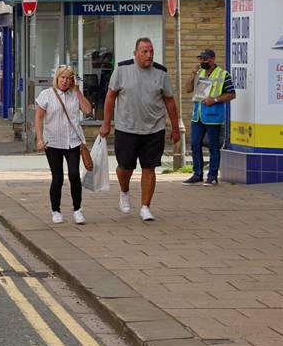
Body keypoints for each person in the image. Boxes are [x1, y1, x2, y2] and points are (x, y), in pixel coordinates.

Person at [101, 37, 180, 223]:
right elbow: (110, 97)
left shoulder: (161, 73)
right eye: (144, 51)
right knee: (124, 167)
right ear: (135, 53)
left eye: (151, 51)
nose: (149, 55)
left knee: (149, 167)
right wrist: (106, 123)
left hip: (154, 128)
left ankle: (145, 207)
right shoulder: (122, 69)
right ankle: (124, 191)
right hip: (126, 127)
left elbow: (169, 100)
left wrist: (175, 127)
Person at [33, 64, 94, 225]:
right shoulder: (46, 95)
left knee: (74, 176)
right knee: (57, 177)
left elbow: (87, 110)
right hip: (52, 142)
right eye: (63, 77)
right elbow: (38, 118)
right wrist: (39, 139)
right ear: (57, 78)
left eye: (69, 78)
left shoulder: (75, 95)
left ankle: (78, 210)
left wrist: (78, 91)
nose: (65, 81)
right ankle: (56, 210)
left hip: (73, 142)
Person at [187, 48, 235, 186]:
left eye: (205, 59)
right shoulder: (199, 73)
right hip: (198, 116)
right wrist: (192, 74)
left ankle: (212, 176)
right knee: (195, 145)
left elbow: (231, 94)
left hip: (213, 116)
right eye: (201, 59)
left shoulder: (223, 74)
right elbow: (188, 89)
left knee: (213, 146)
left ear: (213, 59)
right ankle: (197, 174)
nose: (202, 61)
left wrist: (214, 100)